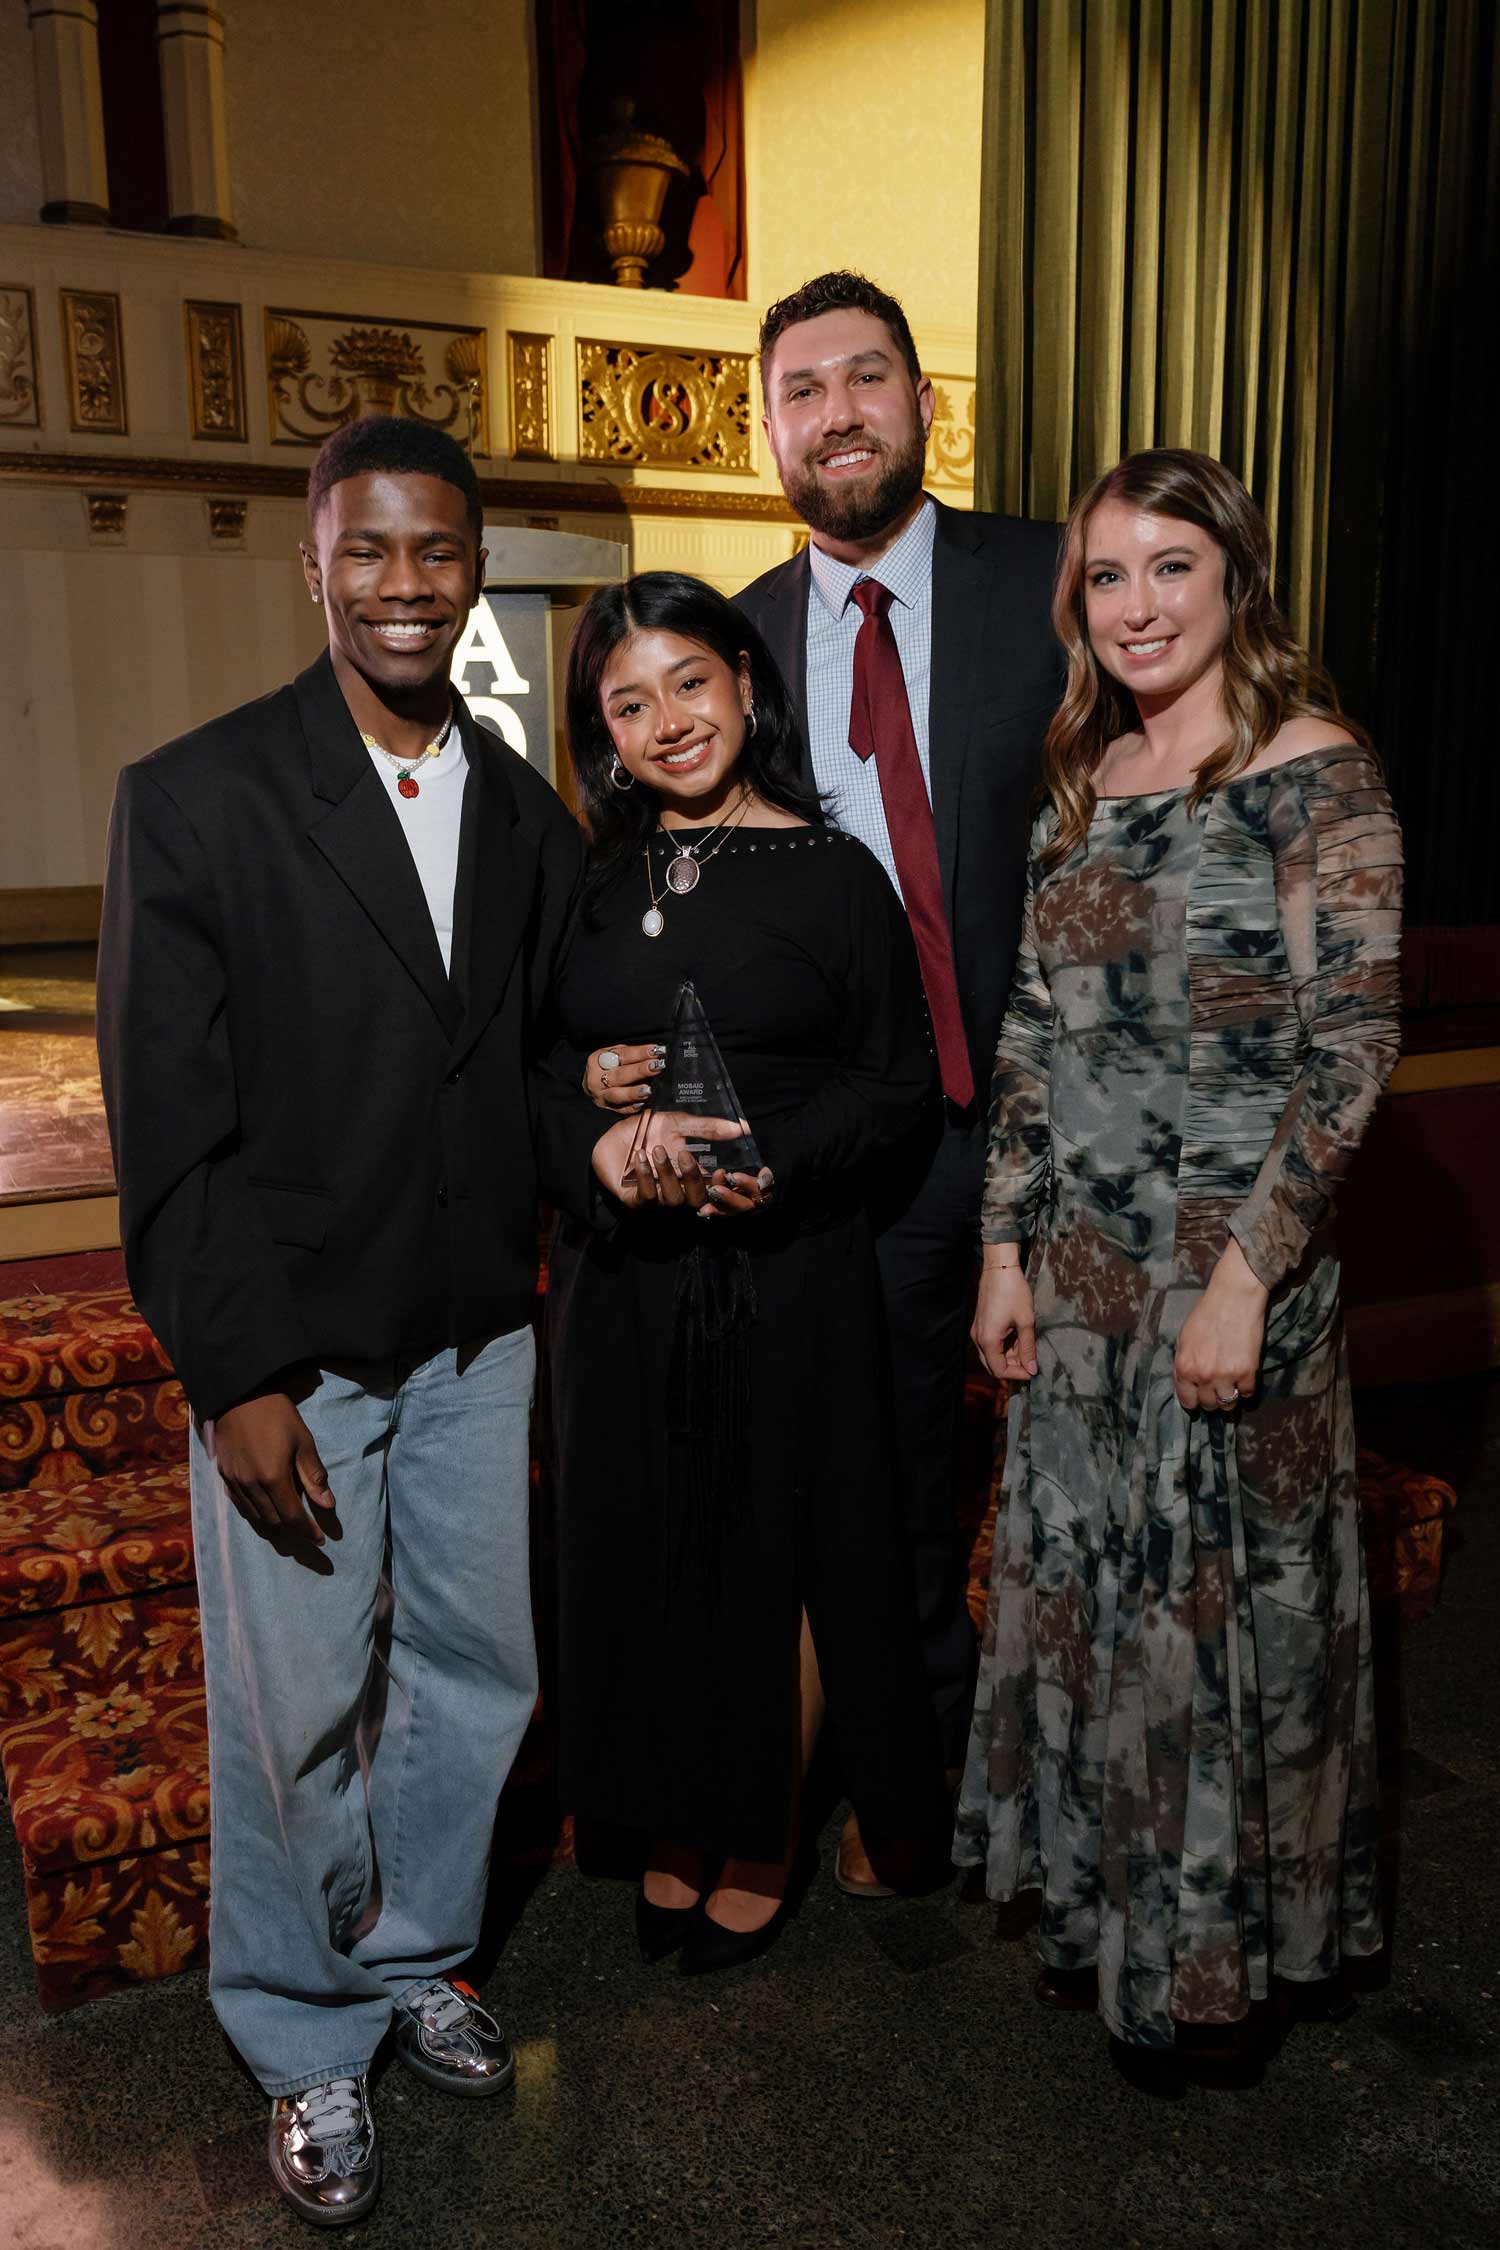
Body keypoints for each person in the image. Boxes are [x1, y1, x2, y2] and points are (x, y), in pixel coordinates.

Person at [95, 419, 728, 2227]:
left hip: (475, 1336)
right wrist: (234, 1373)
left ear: (470, 574)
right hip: (293, 1350)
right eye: (366, 551)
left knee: (476, 1674)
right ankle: (303, 2035)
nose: (400, 584)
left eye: (435, 554)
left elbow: (509, 1075)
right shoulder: (197, 794)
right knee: (291, 1717)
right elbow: (170, 1123)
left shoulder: (525, 808)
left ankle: (415, 1954)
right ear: (312, 563)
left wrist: (591, 1106)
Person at [955, 447, 1403, 2092]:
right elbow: (1027, 1027)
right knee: (1093, 1611)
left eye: (1169, 570)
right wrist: (1004, 1238)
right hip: (1078, 1289)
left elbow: (1350, 1053)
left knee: (1220, 1624)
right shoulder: (1082, 772)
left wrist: (1245, 1277)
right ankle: (1109, 1921)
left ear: (1233, 581)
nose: (1135, 606)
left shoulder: (1314, 771)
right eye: (1106, 577)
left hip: (1233, 1288)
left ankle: (1217, 1966)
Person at [547, 570, 949, 1972]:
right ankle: (672, 1806)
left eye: (691, 683)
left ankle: (763, 1822)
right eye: (629, 703)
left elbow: (901, 1087)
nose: (669, 722)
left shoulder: (840, 878)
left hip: (788, 1267)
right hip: (627, 1284)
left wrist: (779, 1153)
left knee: (783, 1550)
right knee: (652, 1546)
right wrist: (591, 1119)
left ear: (747, 682)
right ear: (604, 732)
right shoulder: (591, 879)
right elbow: (527, 1076)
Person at [735, 271, 1062, 1895]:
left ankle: (1023, 1785)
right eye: (806, 389)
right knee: (877, 1470)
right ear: (767, 429)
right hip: (853, 1144)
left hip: (1046, 1123)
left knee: (1018, 1483)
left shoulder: (1054, 581)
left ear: (927, 404)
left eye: (870, 378)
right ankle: (897, 1776)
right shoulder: (735, 644)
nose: (840, 412)